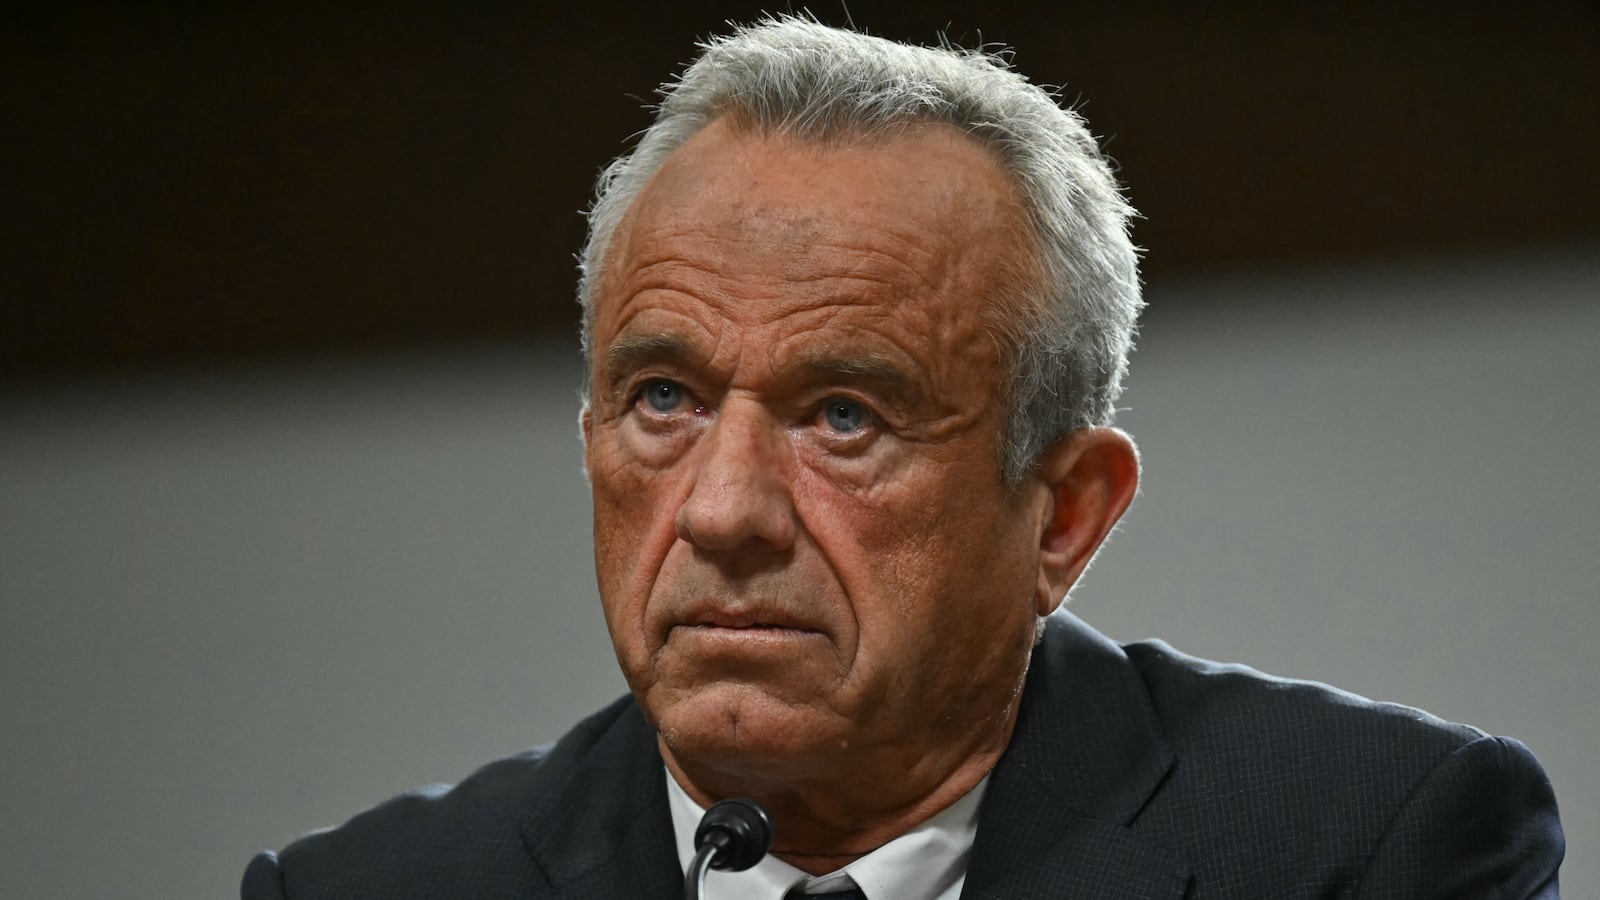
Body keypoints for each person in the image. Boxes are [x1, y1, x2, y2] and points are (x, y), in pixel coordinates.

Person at [242, 16, 1564, 899]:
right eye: (662, 398)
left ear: (1064, 516)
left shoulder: (1370, 848)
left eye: (844, 418)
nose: (724, 511)